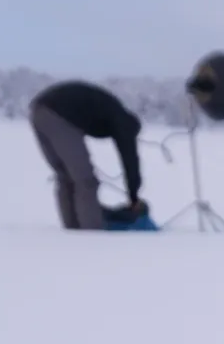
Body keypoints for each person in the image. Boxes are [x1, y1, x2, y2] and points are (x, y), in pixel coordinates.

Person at [29, 80, 144, 231]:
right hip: (59, 113)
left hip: (39, 110)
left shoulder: (110, 111)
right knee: (86, 180)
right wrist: (134, 196)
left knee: (66, 176)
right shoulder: (122, 121)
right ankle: (91, 234)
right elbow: (130, 160)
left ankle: (73, 229)